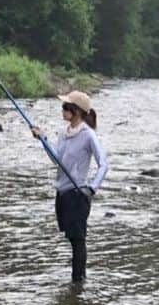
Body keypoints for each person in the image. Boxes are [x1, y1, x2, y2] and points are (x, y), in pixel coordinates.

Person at [31, 90, 108, 282]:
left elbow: (104, 165)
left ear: (78, 112)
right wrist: (43, 140)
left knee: (78, 241)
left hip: (78, 195)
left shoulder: (88, 135)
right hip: (62, 193)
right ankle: (77, 286)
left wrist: (91, 189)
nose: (63, 110)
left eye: (66, 107)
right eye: (63, 107)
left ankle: (78, 281)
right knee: (71, 238)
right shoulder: (63, 133)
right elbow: (58, 161)